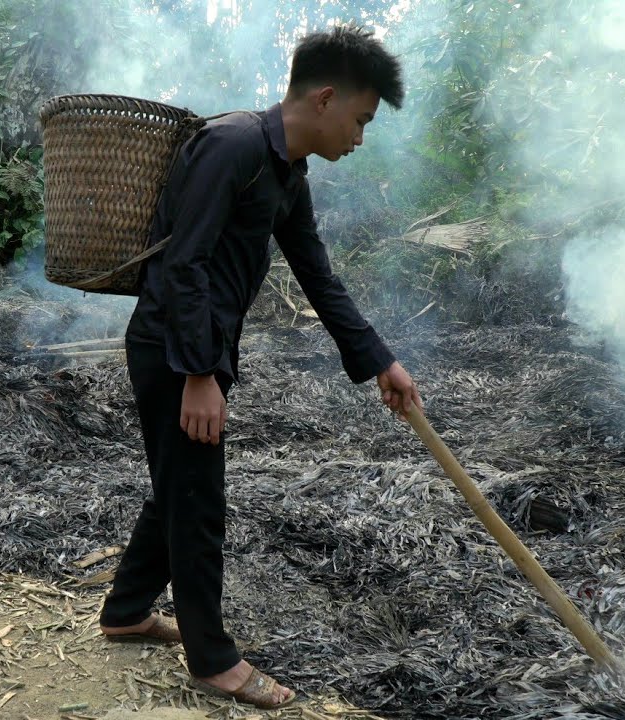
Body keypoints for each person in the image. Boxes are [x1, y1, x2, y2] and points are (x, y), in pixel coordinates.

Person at [97, 24, 423, 710]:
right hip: (171, 348)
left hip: (198, 350)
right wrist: (199, 375)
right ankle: (212, 660)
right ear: (327, 98)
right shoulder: (234, 145)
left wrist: (379, 361)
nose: (359, 138)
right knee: (196, 498)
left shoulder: (286, 172)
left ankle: (127, 610)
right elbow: (181, 263)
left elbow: (318, 275)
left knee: (177, 480)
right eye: (361, 121)